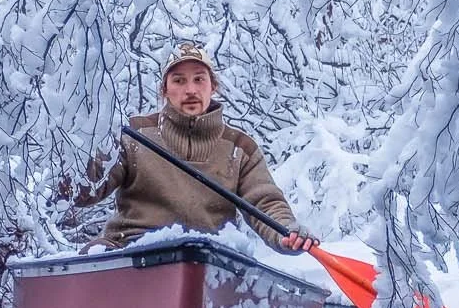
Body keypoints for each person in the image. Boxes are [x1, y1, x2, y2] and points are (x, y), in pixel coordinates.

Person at [73, 42, 320, 253]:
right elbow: (85, 190)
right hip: (130, 251)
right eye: (179, 81)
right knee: (91, 252)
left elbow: (265, 203)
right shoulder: (132, 134)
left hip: (209, 257)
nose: (190, 90)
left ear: (213, 87)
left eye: (199, 79)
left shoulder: (240, 148)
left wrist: (287, 232)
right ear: (165, 91)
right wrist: (71, 165)